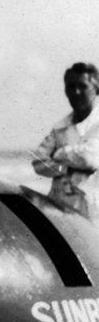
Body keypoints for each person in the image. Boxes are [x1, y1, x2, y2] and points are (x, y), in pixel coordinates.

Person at [31, 62, 99, 218]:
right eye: (71, 86)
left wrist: (60, 153)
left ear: (96, 89)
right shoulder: (60, 128)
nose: (76, 92)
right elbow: (38, 163)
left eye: (83, 86)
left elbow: (90, 159)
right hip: (61, 205)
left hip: (94, 208)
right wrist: (65, 169)